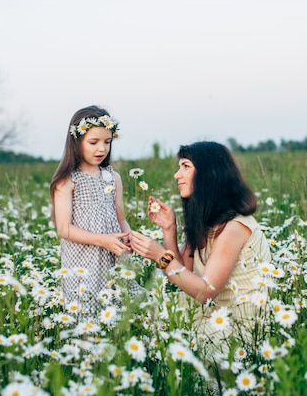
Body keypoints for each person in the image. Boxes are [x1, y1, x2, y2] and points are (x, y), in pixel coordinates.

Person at [130, 141, 272, 355]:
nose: (177, 175)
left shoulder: (234, 227)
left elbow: (204, 292)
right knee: (147, 316)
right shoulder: (206, 222)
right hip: (215, 314)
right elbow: (183, 273)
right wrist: (169, 229)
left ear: (209, 174)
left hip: (240, 327)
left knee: (169, 338)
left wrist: (161, 255)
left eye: (186, 166)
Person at [50, 105, 132, 323]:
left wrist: (128, 237)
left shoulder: (112, 177)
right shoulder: (67, 180)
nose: (101, 149)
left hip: (112, 251)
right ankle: (86, 352)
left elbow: (120, 216)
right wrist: (101, 240)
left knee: (116, 302)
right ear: (77, 143)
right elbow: (64, 228)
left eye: (107, 142)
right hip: (83, 255)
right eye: (93, 142)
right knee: (86, 306)